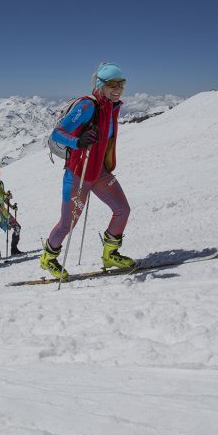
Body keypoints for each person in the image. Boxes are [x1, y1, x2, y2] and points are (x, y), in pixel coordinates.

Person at [40, 62, 134, 279]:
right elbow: (57, 134)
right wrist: (79, 141)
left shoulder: (112, 106)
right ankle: (48, 258)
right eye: (112, 83)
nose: (118, 88)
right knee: (67, 224)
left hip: (99, 172)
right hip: (77, 175)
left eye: (122, 83)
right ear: (101, 85)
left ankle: (111, 254)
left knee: (123, 210)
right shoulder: (87, 106)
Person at [0, 165, 24, 259]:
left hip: (3, 211)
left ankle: (14, 249)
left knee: (17, 227)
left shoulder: (0, 183)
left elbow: (3, 197)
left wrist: (11, 205)